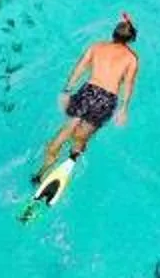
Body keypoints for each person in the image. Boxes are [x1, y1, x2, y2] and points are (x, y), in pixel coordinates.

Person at [33, 13, 140, 189]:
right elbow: (128, 85)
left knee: (65, 131)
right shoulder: (131, 59)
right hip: (106, 100)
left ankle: (41, 171)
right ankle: (73, 156)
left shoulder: (97, 46)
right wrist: (123, 109)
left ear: (113, 34)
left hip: (88, 92)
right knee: (81, 136)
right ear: (131, 39)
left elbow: (80, 68)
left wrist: (67, 90)